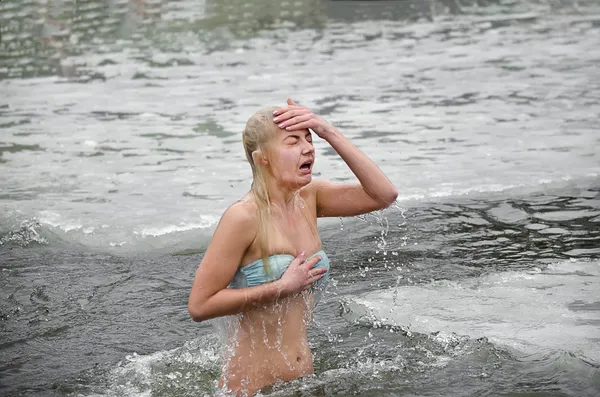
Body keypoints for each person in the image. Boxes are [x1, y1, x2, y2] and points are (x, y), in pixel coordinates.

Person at [188, 98, 398, 396]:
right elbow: (199, 305)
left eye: (310, 139)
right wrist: (280, 288)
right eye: (293, 141)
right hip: (252, 387)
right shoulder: (243, 216)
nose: (308, 148)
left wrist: (329, 131)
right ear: (263, 158)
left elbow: (384, 195)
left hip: (305, 382)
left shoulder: (310, 198)